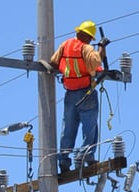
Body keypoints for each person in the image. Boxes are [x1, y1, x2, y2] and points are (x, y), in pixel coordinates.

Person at [49, 20, 108, 173]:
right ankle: (84, 156)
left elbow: (53, 62)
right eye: (90, 38)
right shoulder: (86, 48)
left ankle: (64, 160)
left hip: (70, 93)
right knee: (90, 127)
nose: (89, 40)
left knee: (68, 128)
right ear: (87, 36)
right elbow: (96, 63)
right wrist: (101, 47)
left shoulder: (65, 45)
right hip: (86, 92)